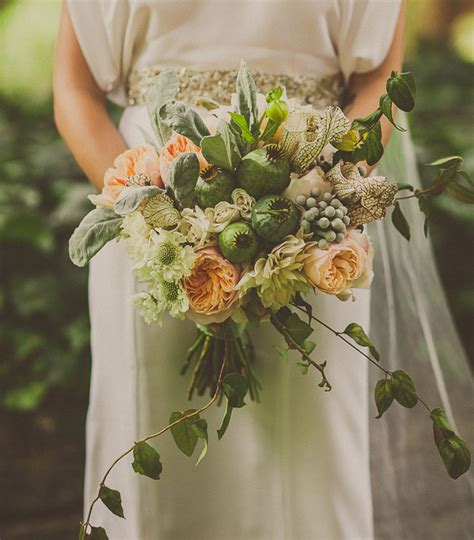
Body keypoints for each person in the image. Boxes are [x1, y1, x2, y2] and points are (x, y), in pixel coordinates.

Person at [54, 1, 473, 539]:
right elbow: (74, 88)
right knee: (153, 440)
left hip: (311, 212)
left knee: (309, 452)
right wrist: (150, 214)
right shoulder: (148, 220)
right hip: (147, 227)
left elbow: (379, 81)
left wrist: (320, 195)